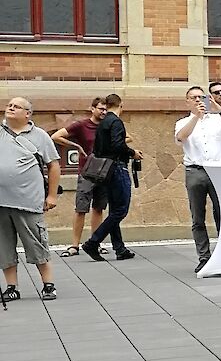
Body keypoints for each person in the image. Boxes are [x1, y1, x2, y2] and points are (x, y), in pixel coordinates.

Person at [1, 95, 62, 303]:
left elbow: (54, 165)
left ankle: (48, 285)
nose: (10, 108)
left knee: (37, 243)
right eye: (9, 105)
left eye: (16, 106)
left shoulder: (40, 136)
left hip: (28, 201)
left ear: (27, 114)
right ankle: (11, 287)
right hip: (1, 202)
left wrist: (52, 195)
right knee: (3, 247)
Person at [175, 83, 221, 272]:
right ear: (187, 102)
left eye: (200, 97)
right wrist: (195, 117)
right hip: (195, 170)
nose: (197, 100)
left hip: (219, 170)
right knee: (198, 217)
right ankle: (204, 257)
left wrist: (220, 111)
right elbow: (181, 137)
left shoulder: (218, 119)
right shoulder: (182, 122)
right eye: (193, 98)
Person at [81, 94, 139, 266]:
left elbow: (98, 148)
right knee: (121, 210)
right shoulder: (116, 122)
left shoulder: (102, 123)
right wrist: (132, 152)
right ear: (121, 105)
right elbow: (117, 145)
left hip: (105, 170)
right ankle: (93, 243)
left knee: (114, 209)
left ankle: (120, 249)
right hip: (117, 168)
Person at [50, 96, 106, 256]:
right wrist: (77, 146)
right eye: (101, 108)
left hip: (103, 172)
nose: (103, 112)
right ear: (93, 109)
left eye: (106, 109)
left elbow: (126, 137)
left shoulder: (107, 125)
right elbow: (56, 136)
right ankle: (74, 245)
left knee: (99, 208)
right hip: (86, 172)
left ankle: (96, 242)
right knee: (81, 208)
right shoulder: (82, 125)